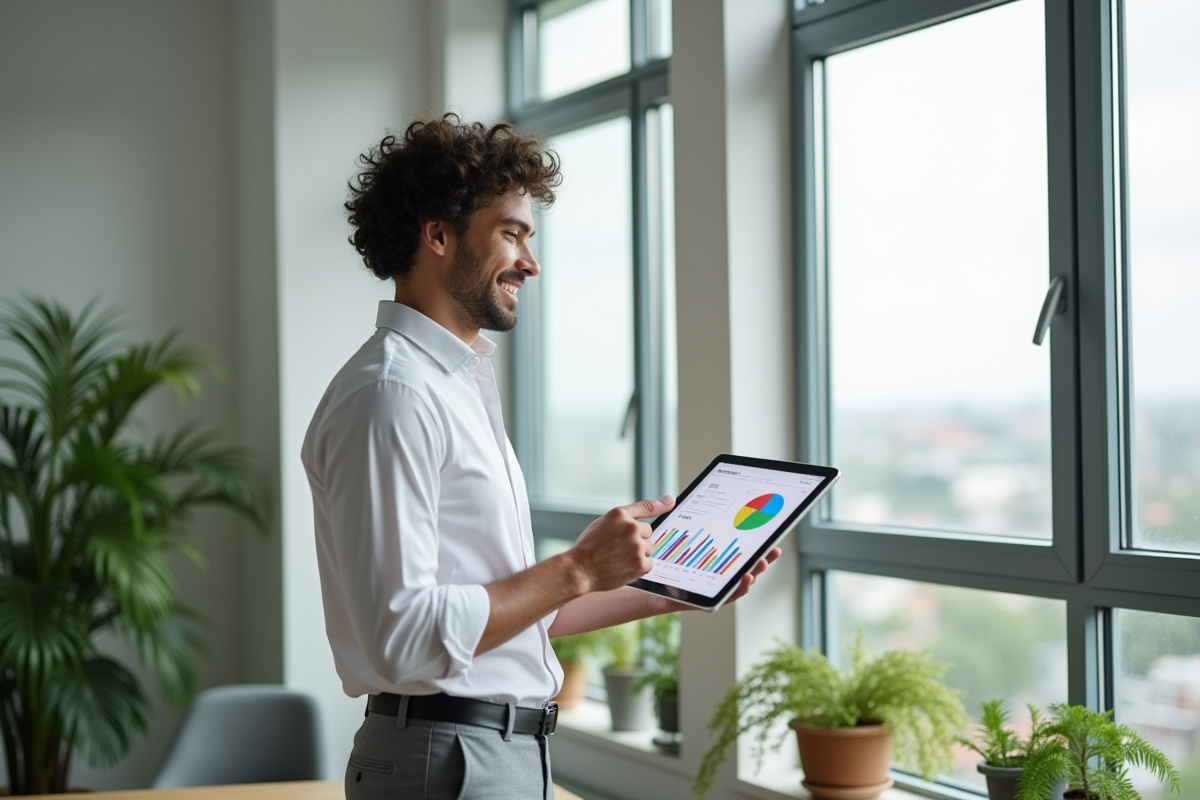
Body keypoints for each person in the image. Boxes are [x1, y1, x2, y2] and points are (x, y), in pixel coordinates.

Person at [301, 114, 779, 800]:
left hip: (490, 754)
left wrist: (677, 585)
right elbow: (401, 639)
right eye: (512, 234)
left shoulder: (451, 385)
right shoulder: (393, 396)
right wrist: (578, 565)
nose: (531, 261)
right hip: (447, 758)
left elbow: (525, 614)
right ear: (437, 235)